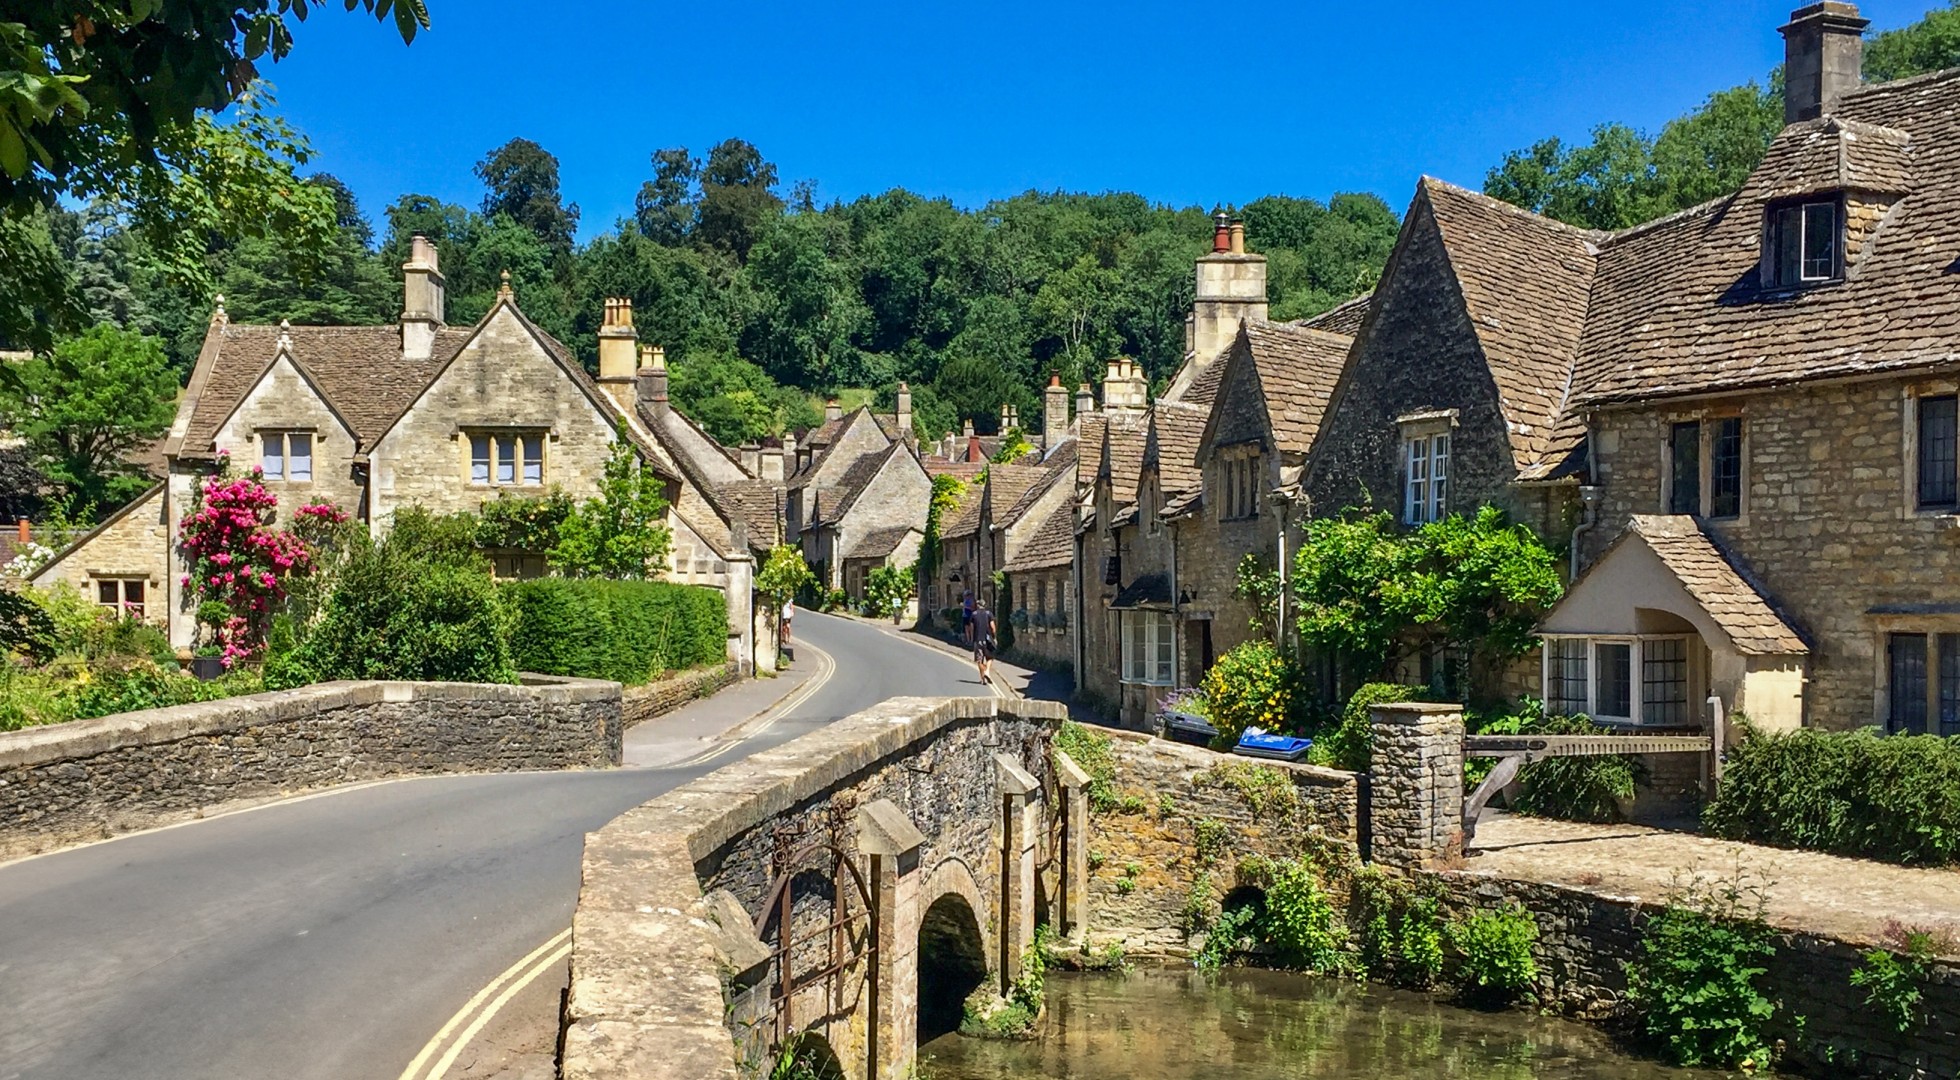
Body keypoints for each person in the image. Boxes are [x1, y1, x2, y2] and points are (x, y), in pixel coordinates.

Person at [971, 598, 996, 682]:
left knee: (979, 660)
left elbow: (971, 628)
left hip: (977, 641)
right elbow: (993, 628)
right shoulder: (989, 614)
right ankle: (987, 671)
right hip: (987, 640)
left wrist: (972, 638)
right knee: (990, 658)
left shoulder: (973, 614)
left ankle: (982, 679)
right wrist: (994, 637)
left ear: (978, 605)